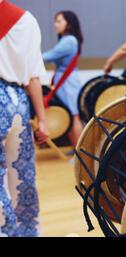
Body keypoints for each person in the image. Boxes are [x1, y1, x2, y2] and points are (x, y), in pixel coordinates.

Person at [0, 0, 48, 237]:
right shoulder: (27, 20)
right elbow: (34, 76)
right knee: (21, 174)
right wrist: (43, 119)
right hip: (19, 101)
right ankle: (27, 231)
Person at [43, 11, 84, 148]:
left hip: (67, 83)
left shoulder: (69, 40)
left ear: (69, 24)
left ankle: (80, 153)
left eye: (59, 21)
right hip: (65, 81)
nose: (56, 24)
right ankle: (76, 150)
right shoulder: (68, 39)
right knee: (71, 116)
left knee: (74, 116)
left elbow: (49, 56)